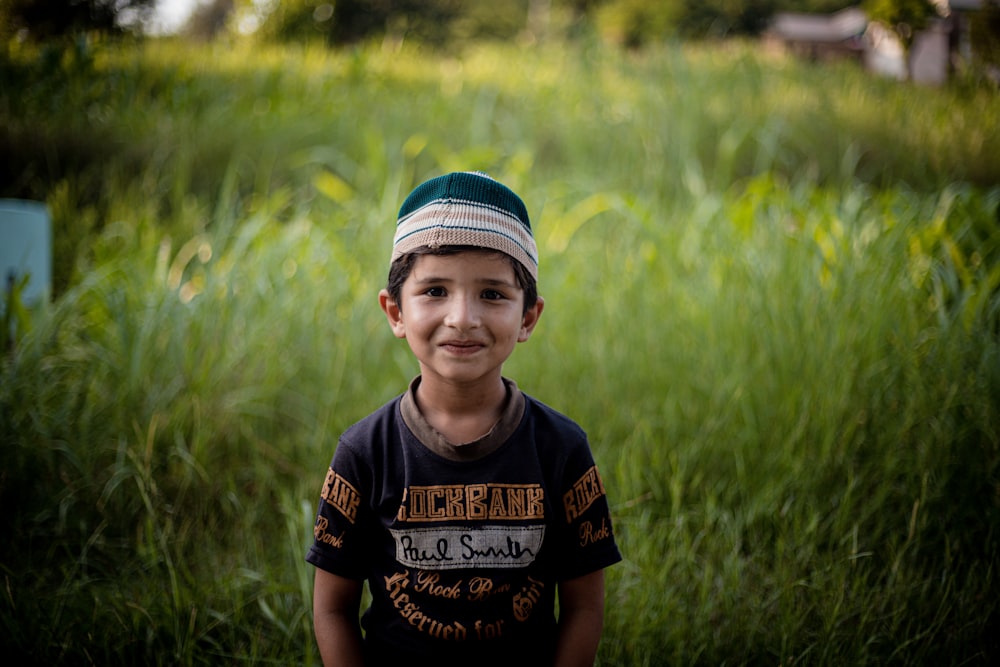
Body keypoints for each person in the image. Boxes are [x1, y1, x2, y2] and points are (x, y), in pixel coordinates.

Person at [306, 171, 622, 666]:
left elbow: (584, 607)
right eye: (434, 291)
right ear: (395, 312)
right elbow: (332, 609)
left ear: (528, 318)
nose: (462, 317)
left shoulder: (561, 449)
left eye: (492, 294)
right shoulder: (364, 452)